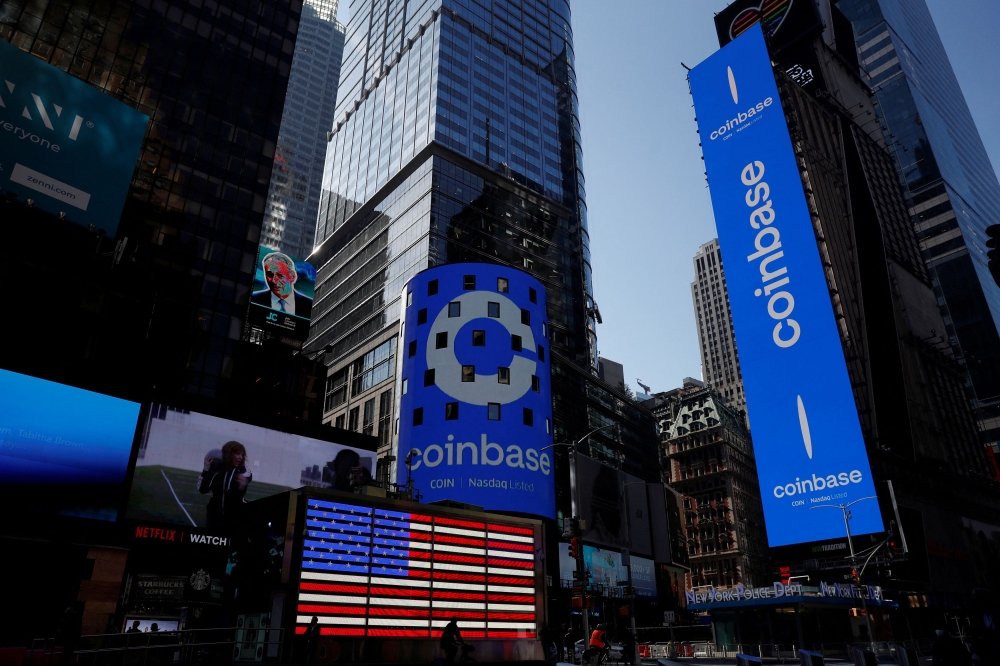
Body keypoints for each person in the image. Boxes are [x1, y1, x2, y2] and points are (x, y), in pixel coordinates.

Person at [198, 441, 253, 530]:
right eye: (237, 454)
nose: (240, 457)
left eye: (242, 455)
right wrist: (206, 469)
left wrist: (244, 482)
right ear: (229, 454)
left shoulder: (242, 469)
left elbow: (247, 476)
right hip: (214, 514)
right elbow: (203, 489)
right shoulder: (217, 469)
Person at [251, 252, 312, 320]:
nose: (274, 281)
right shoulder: (253, 299)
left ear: (292, 276)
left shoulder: (309, 306)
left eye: (280, 275)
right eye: (270, 275)